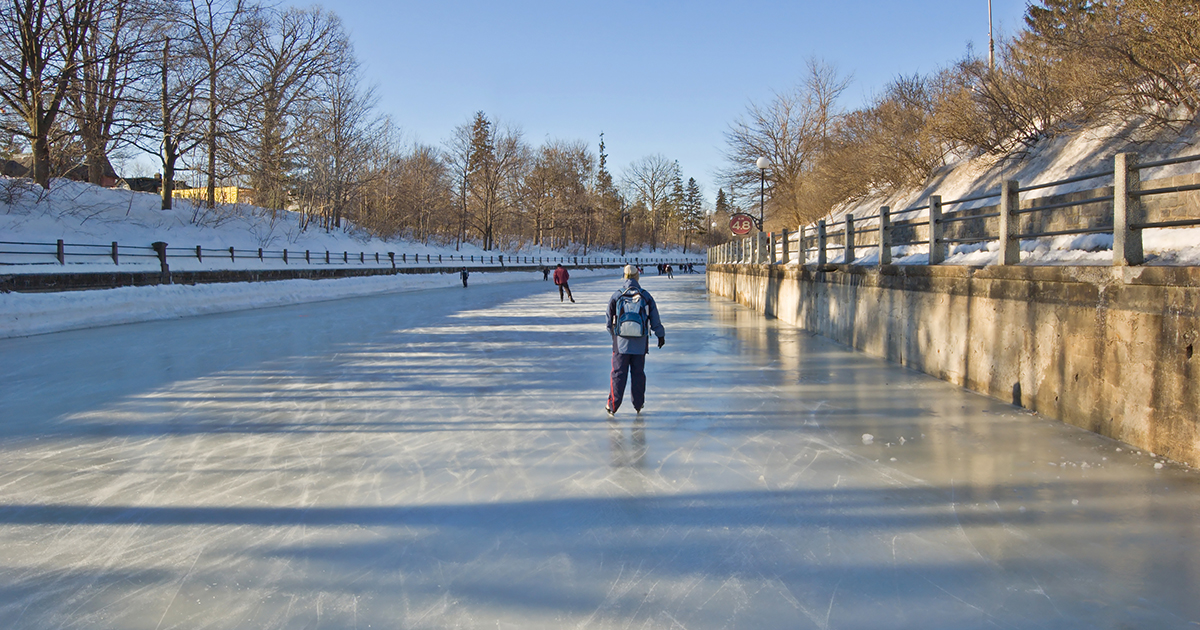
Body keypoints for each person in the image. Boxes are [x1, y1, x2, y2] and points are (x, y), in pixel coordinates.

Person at [605, 265, 665, 416]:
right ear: (638, 276)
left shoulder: (617, 295)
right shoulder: (645, 296)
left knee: (618, 374)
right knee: (638, 373)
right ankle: (638, 404)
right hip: (640, 343)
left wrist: (614, 335)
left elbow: (608, 320)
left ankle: (613, 406)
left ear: (624, 277)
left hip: (621, 344)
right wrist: (660, 335)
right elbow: (655, 318)